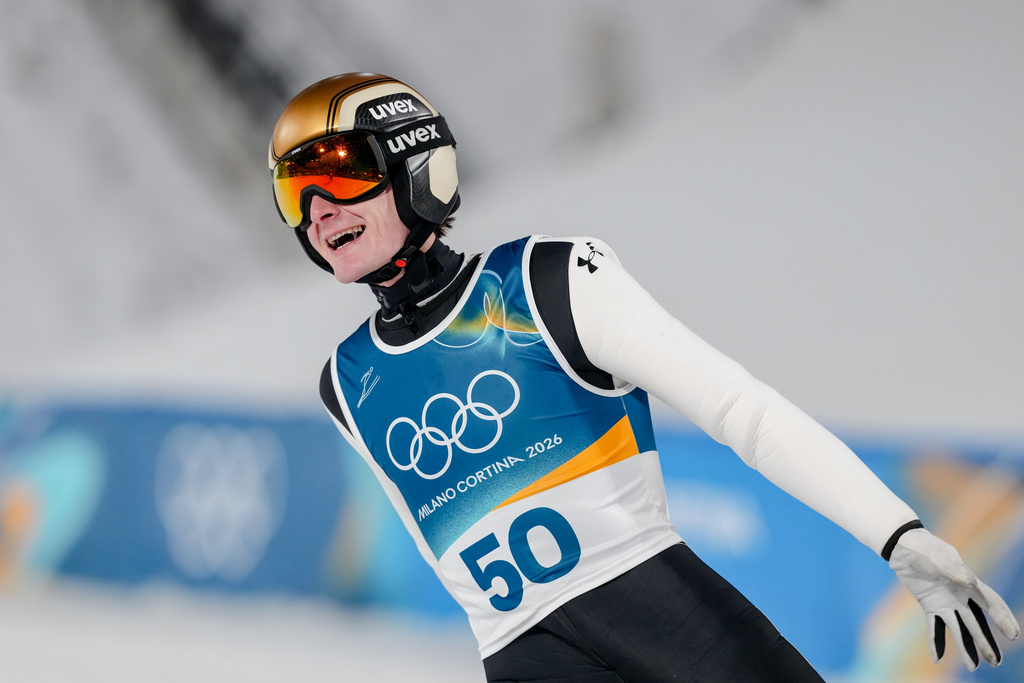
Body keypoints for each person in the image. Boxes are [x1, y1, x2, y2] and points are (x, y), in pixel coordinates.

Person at [268, 72, 1019, 682]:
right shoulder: (347, 383)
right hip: (529, 657)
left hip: (670, 622)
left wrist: (897, 532)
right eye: (295, 190)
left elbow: (742, 412)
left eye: (338, 172)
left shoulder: (547, 280)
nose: (318, 210)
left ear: (415, 166)